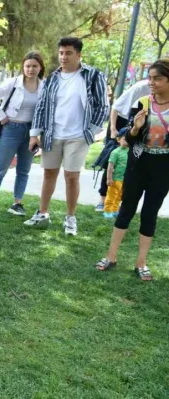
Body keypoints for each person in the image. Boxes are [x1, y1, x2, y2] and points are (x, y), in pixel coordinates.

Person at [24, 37, 109, 236]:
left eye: (68, 53)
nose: (63, 57)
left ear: (79, 55)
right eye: (61, 53)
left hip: (78, 136)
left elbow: (102, 105)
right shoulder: (53, 78)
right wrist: (35, 134)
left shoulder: (93, 75)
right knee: (49, 174)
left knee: (72, 176)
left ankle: (70, 218)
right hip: (52, 133)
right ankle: (42, 213)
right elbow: (42, 106)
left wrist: (91, 131)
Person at [95, 60, 169, 281]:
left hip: (163, 169)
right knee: (126, 208)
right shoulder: (142, 102)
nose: (152, 82)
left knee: (149, 214)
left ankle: (141, 263)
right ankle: (111, 256)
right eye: (150, 77)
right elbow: (126, 139)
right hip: (138, 164)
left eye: (157, 78)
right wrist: (136, 127)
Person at [0, 52, 46, 217]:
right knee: (0, 168)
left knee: (24, 170)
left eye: (34, 66)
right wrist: (1, 117)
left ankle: (17, 203)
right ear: (23, 67)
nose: (31, 69)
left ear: (40, 67)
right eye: (27, 66)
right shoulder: (13, 83)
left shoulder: (44, 86)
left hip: (32, 132)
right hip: (11, 129)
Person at [96, 79, 150, 211]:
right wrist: (113, 130)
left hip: (140, 124)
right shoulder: (142, 87)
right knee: (112, 160)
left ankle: (119, 201)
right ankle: (102, 200)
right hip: (122, 124)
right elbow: (116, 107)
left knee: (129, 164)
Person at [103, 131, 129, 219]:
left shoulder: (130, 151)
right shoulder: (115, 152)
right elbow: (110, 166)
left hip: (124, 179)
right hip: (115, 179)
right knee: (111, 196)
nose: (127, 141)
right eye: (125, 139)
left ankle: (115, 210)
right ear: (118, 139)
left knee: (119, 196)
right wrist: (109, 178)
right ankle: (107, 211)